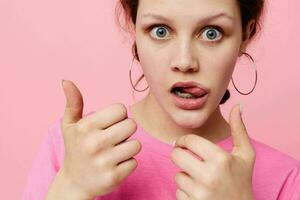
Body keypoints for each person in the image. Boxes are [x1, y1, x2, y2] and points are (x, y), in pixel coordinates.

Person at [22, 0, 300, 199]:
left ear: (245, 35)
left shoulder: (287, 180)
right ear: (135, 30)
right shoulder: (72, 147)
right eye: (160, 31)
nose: (185, 62)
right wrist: (70, 188)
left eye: (211, 33)